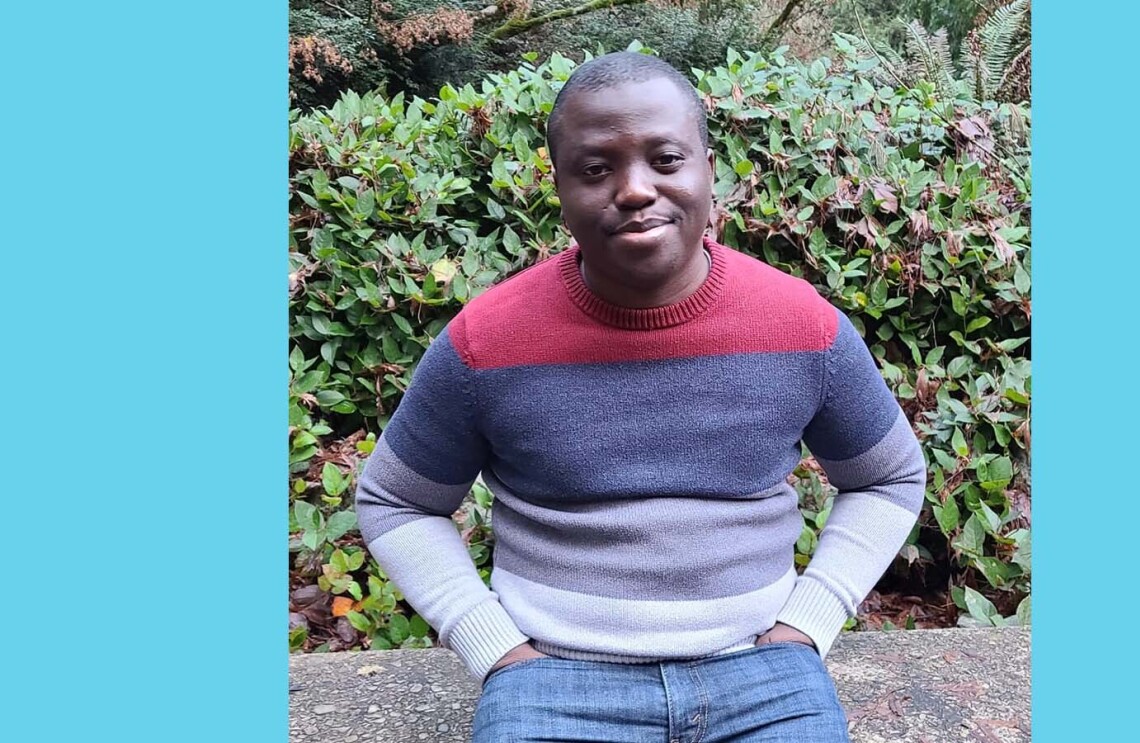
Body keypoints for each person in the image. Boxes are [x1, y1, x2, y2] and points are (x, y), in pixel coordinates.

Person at [354, 51, 926, 743]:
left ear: (709, 170)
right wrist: (496, 650)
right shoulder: (487, 341)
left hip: (763, 671)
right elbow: (397, 498)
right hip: (553, 680)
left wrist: (808, 623)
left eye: (665, 158)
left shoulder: (801, 326)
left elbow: (888, 476)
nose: (633, 189)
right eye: (596, 169)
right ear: (559, 187)